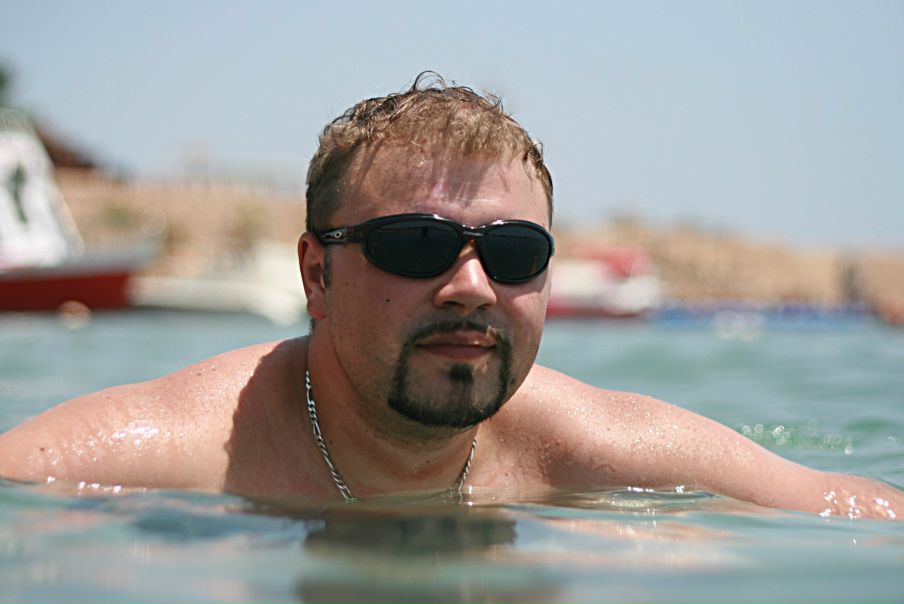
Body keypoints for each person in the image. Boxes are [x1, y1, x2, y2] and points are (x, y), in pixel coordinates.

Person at [0, 73, 900, 520]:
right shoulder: (168, 456)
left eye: (513, 254)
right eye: (415, 246)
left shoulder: (599, 450)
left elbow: (857, 511)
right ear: (316, 275)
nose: (472, 286)